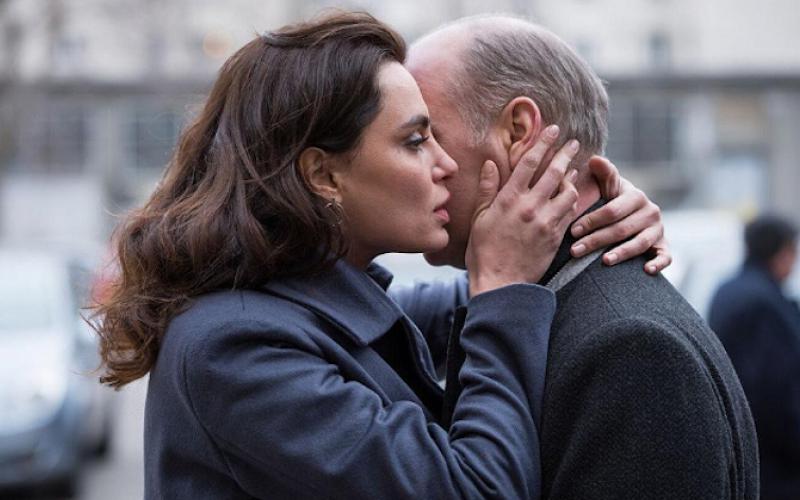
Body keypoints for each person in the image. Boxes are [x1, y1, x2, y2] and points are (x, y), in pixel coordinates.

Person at [93, 12, 670, 499]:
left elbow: (451, 310)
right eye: (416, 141)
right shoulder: (236, 348)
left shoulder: (301, 306)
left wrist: (584, 213)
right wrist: (503, 282)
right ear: (323, 175)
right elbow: (477, 489)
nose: (445, 164)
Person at [399, 15, 759, 499]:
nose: (417, 169)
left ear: (518, 131)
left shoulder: (630, 349)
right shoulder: (575, 306)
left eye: (425, 138)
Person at [710, 214, 800, 500]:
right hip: (771, 463)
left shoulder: (728, 289)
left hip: (738, 442)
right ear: (782, 252)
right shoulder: (765, 303)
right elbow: (777, 391)